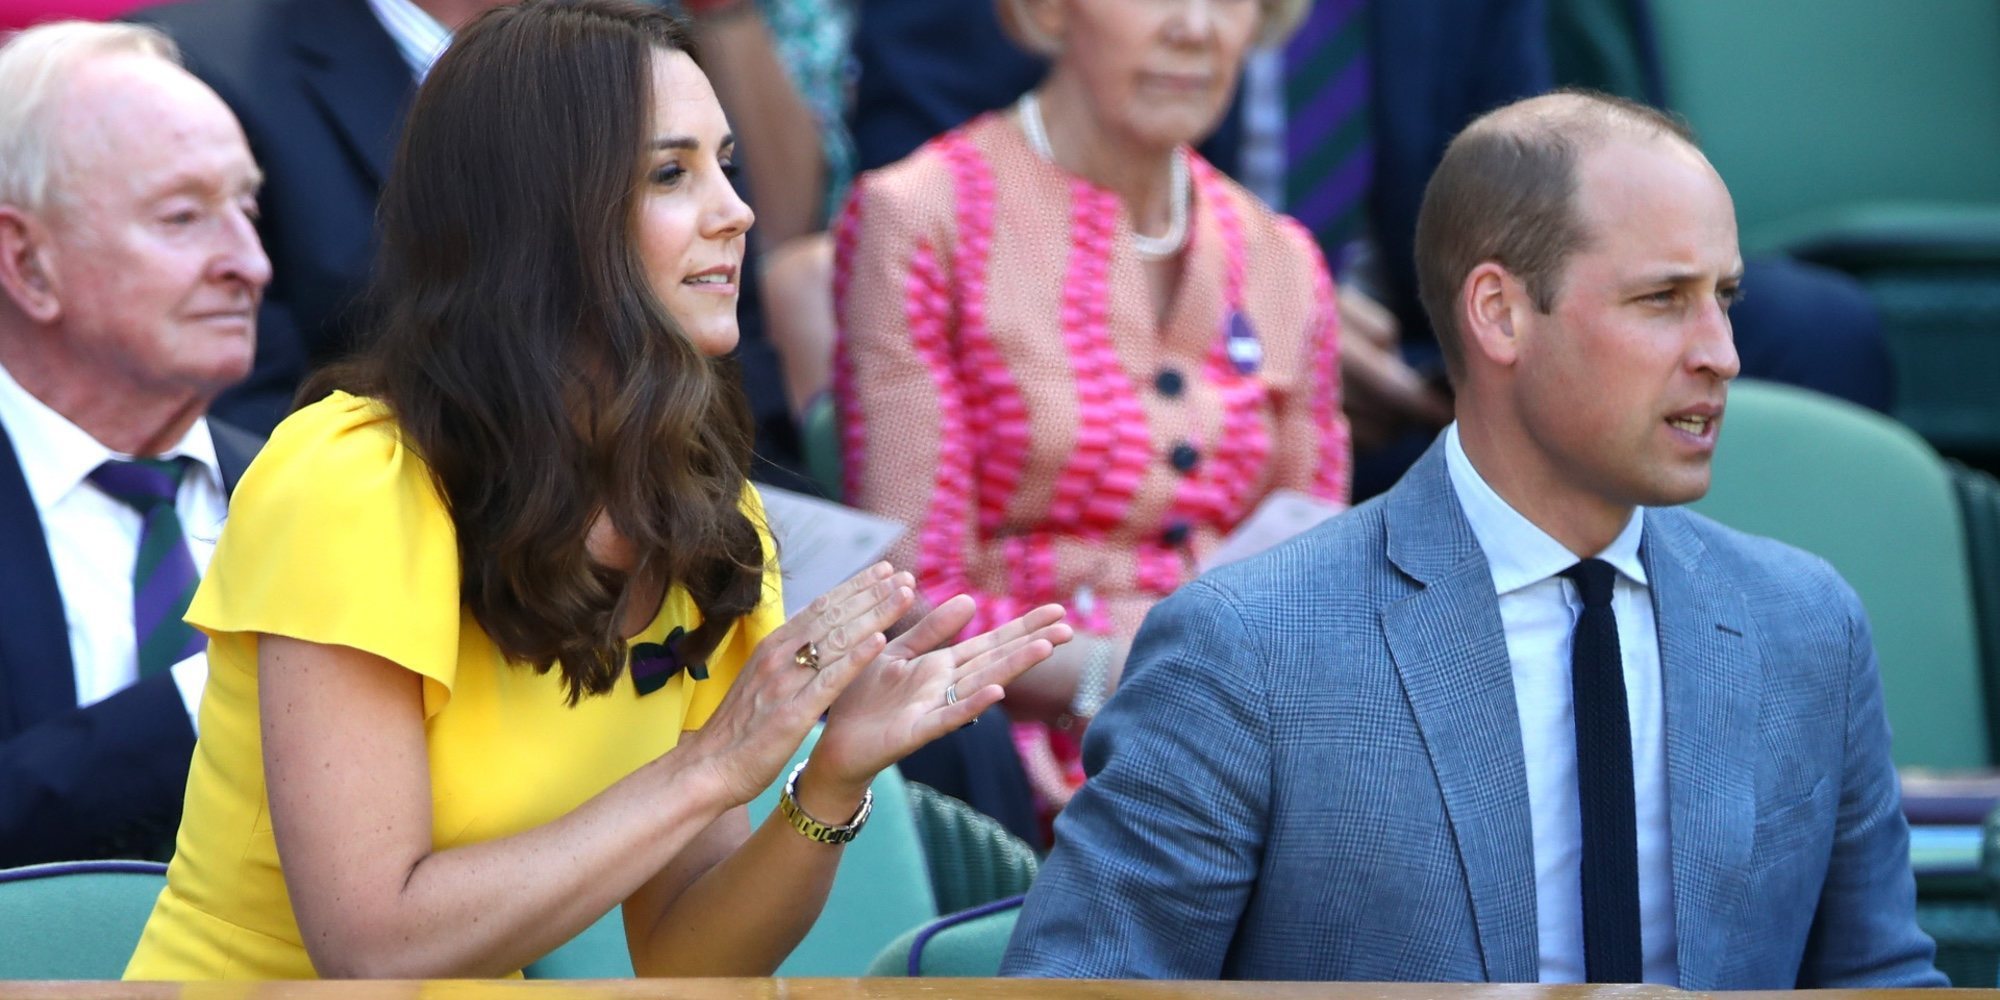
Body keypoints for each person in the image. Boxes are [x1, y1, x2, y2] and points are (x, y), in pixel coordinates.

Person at [122, 0, 1068, 979]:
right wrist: (708, 768)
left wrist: (827, 782)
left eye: (724, 164)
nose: (735, 212)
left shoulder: (699, 511)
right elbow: (372, 943)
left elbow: (684, 954)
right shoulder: (351, 483)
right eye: (671, 174)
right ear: (539, 216)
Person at [1003, 91, 1946, 989]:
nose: (1721, 353)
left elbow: (1880, 983)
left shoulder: (1806, 626)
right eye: (1662, 300)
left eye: (1724, 298)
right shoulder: (1246, 649)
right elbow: (1086, 992)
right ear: (1498, 313)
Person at [835, 0, 1346, 828]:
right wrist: (1111, 674)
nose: (1194, 26)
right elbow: (913, 603)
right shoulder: (923, 216)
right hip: (1011, 761)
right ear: (1045, 9)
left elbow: (1321, 579)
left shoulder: (1286, 261)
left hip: (1256, 752)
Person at [0, 21, 268, 865]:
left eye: (249, 207)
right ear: (27, 263)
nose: (250, 262)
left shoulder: (304, 492)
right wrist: (215, 697)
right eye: (184, 216)